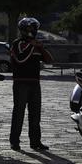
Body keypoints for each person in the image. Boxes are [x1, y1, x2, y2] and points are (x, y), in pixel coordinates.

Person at [9, 17, 53, 151]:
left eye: (33, 28)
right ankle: (14, 142)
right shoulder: (17, 44)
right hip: (21, 83)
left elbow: (49, 61)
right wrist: (32, 45)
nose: (31, 31)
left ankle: (35, 142)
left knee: (35, 115)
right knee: (19, 113)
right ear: (22, 30)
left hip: (35, 83)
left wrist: (42, 48)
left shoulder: (36, 45)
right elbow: (20, 59)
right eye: (28, 29)